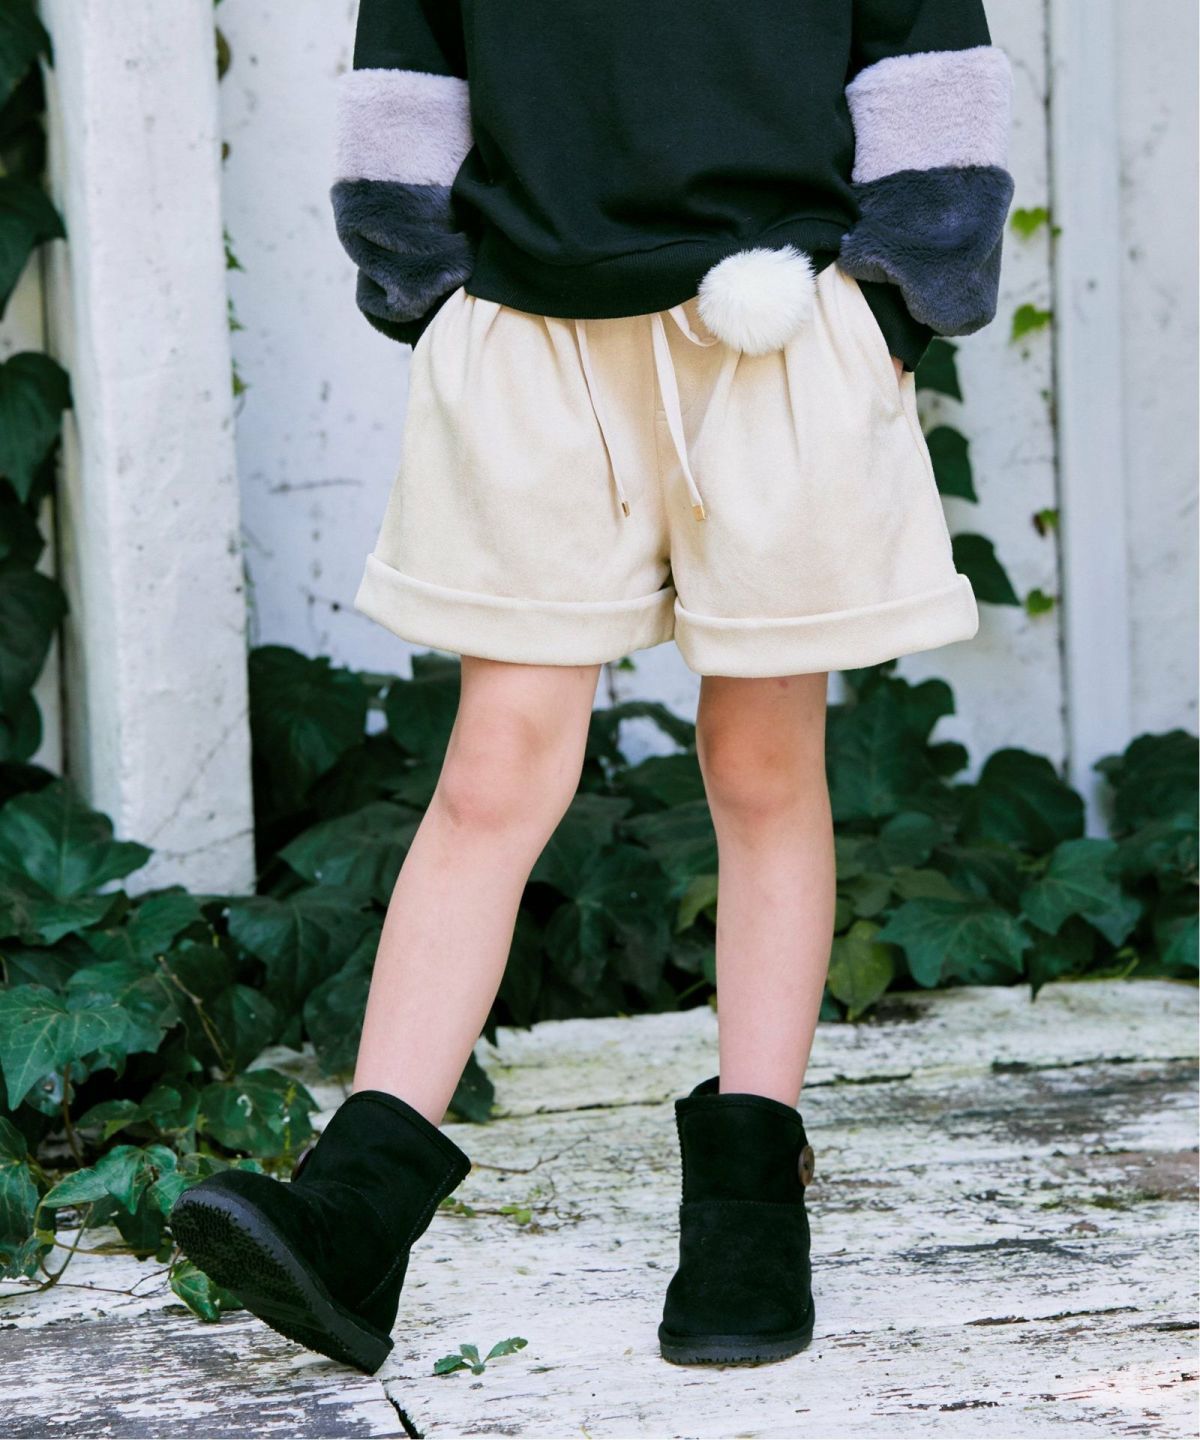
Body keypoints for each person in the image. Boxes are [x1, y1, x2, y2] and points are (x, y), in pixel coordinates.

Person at [171, 0, 1014, 1375]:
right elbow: (406, 83)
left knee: (761, 762)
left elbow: (929, 75)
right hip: (530, 338)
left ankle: (750, 1195)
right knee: (494, 766)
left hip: (782, 322)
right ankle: (355, 1207)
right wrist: (433, 294)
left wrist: (888, 312)